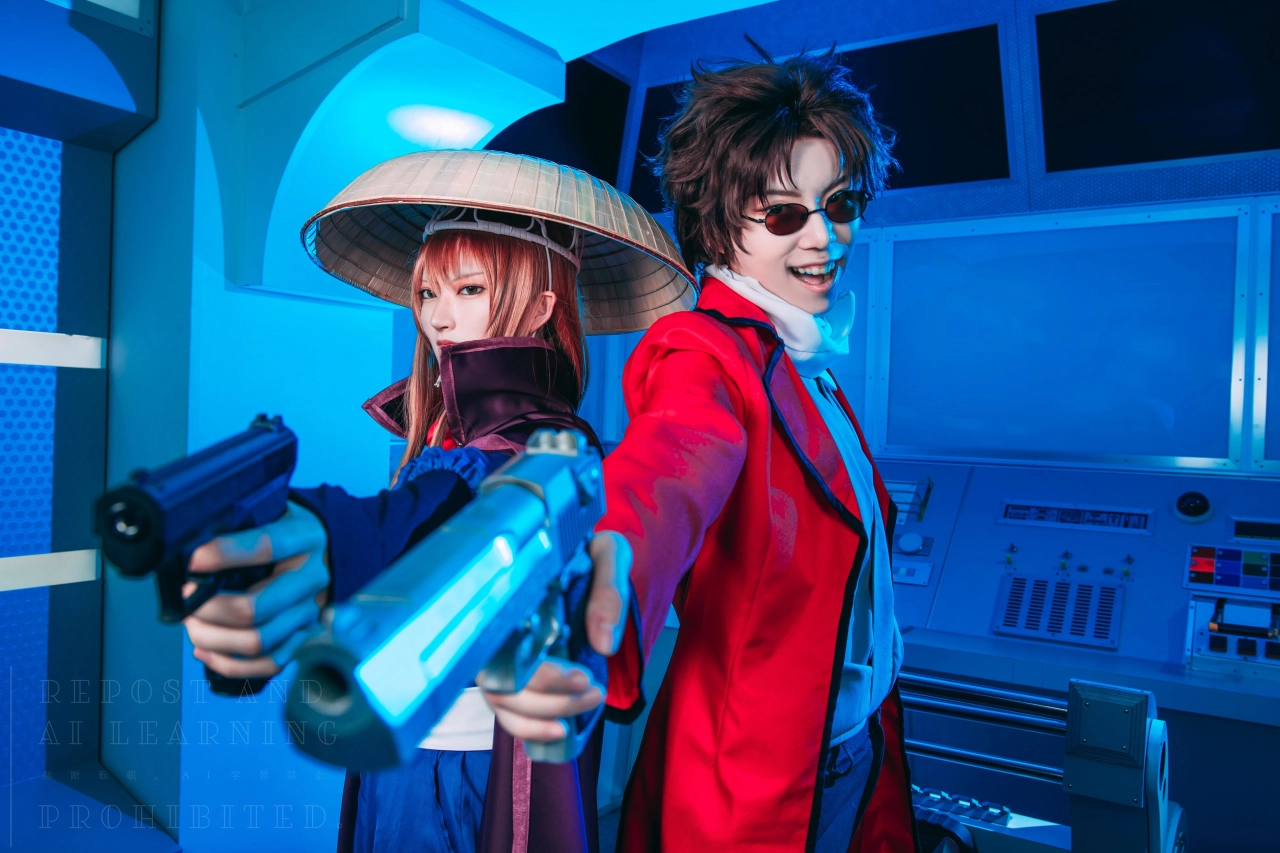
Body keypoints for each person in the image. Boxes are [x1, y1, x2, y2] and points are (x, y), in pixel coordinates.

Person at [178, 150, 695, 853]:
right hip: (416, 754)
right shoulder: (453, 428)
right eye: (428, 292)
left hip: (461, 775)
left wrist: (326, 538)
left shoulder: (534, 443)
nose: (439, 317)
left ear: (541, 305)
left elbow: (439, 511)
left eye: (470, 288)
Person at [576, 48, 922, 852]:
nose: (825, 238)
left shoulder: (807, 363)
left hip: (856, 748)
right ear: (717, 224)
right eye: (784, 215)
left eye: (840, 204)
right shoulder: (703, 352)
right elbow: (668, 467)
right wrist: (599, 583)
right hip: (755, 779)